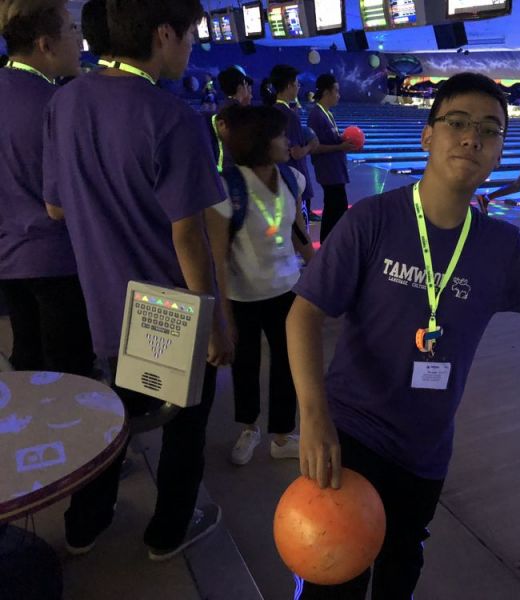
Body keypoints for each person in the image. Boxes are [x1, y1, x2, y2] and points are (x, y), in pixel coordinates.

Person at [285, 72, 520, 599]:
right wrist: (314, 419)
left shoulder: (499, 247)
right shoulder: (373, 220)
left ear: (499, 153)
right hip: (349, 437)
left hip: (424, 450)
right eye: (457, 122)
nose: (472, 137)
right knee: (333, 578)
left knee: (400, 570)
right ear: (428, 135)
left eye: (489, 130)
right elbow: (304, 313)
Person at [43, 0, 234, 561]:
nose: (192, 47)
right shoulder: (172, 117)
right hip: (168, 308)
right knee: (183, 425)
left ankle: (84, 525)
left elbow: (56, 208)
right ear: (163, 34)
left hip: (102, 300)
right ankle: (169, 531)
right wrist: (216, 324)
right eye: (191, 35)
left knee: (111, 420)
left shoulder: (65, 101)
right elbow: (189, 236)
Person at [212, 104, 314, 466]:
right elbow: (217, 258)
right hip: (243, 296)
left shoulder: (292, 178)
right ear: (260, 141)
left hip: (287, 290)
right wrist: (223, 318)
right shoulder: (226, 188)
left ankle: (282, 435)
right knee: (246, 365)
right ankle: (249, 428)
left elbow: (299, 233)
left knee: (288, 364)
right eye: (280, 135)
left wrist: (324, 276)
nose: (287, 141)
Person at [0, 0, 94, 377]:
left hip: (9, 261)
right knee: (70, 371)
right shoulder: (58, 105)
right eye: (72, 29)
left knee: (28, 361)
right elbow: (68, 200)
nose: (79, 39)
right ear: (45, 44)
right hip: (57, 259)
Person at [307, 74, 357, 242]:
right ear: (327, 92)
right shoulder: (316, 116)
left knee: (335, 210)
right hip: (329, 172)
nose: (338, 95)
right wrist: (340, 147)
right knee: (335, 211)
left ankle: (330, 244)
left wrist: (344, 140)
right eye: (336, 91)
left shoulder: (327, 113)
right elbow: (315, 148)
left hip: (335, 171)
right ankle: (329, 245)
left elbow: (330, 139)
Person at [270, 64, 319, 223]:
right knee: (300, 228)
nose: (298, 87)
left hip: (278, 181)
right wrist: (311, 144)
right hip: (295, 181)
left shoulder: (271, 111)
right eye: (297, 84)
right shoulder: (290, 116)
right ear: (289, 85)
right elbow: (296, 152)